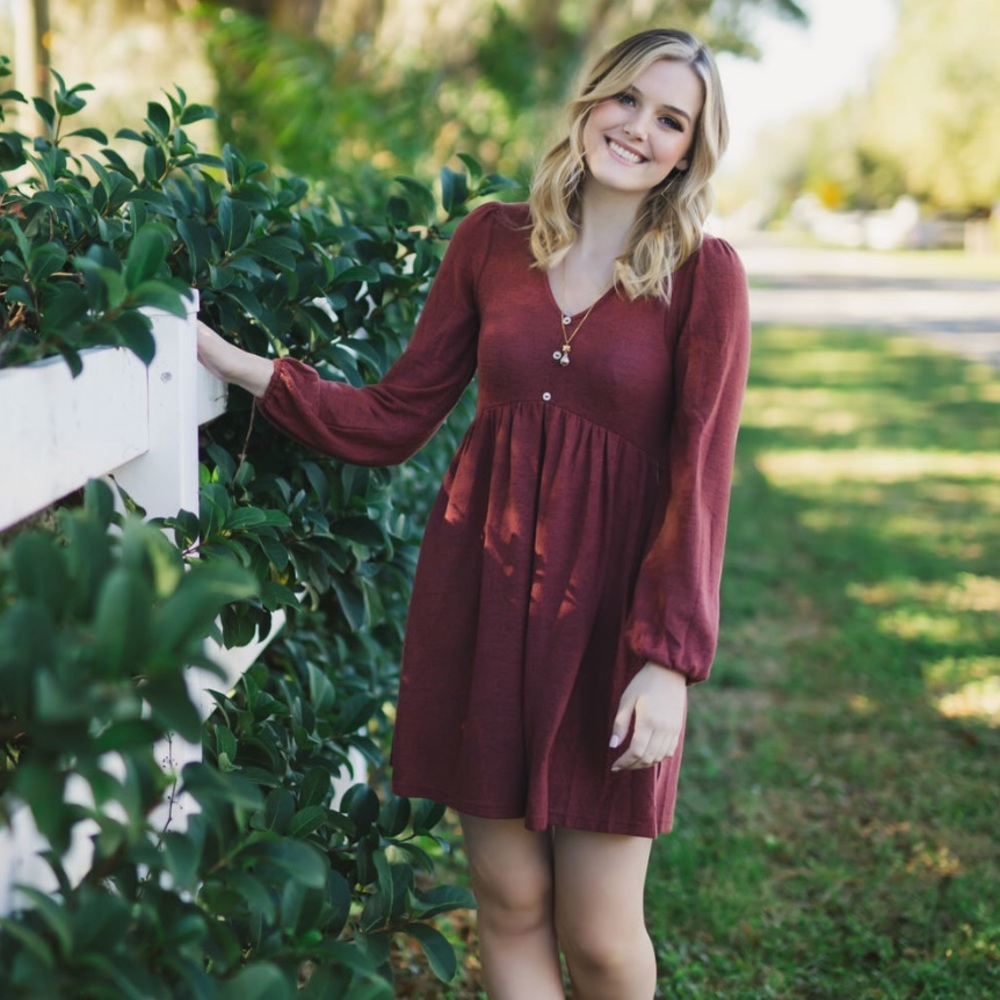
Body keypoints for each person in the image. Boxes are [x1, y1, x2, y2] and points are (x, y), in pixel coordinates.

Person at [198, 27, 750, 1000]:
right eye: (628, 100)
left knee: (601, 929)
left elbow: (699, 476)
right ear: (590, 102)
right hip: (485, 599)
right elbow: (397, 411)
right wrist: (241, 365)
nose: (639, 129)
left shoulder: (705, 278)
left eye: (672, 120)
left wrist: (668, 659)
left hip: (615, 623)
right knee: (505, 897)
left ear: (689, 151)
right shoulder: (490, 239)